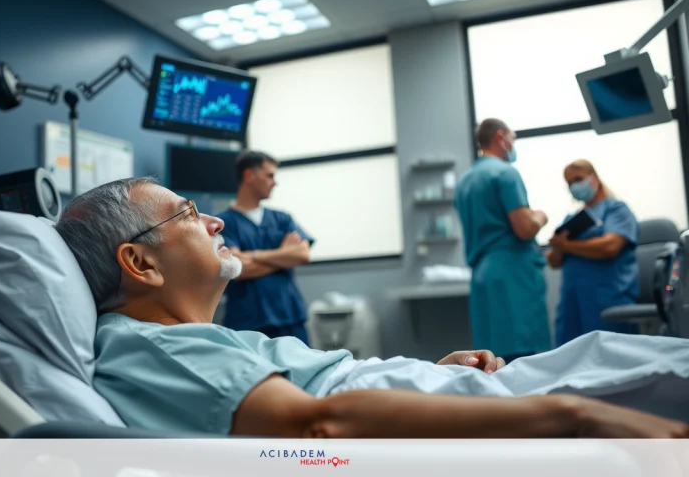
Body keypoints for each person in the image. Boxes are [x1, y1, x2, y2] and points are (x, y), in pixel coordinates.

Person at [54, 177, 689, 439]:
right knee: (625, 368)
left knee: (613, 353)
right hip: (392, 405)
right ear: (140, 264)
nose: (215, 220)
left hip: (399, 385)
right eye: (190, 213)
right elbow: (316, 427)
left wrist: (433, 373)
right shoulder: (144, 347)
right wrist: (568, 415)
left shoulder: (192, 341)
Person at [454, 118, 551, 363]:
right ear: (500, 137)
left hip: (483, 277)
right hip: (512, 274)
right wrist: (539, 217)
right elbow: (524, 229)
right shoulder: (505, 174)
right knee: (522, 361)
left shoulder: (465, 181)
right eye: (512, 138)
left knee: (490, 359)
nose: (513, 144)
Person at [215, 150, 313, 345]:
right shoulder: (224, 222)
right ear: (249, 175)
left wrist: (252, 255)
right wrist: (284, 257)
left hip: (289, 317)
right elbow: (237, 268)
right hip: (248, 323)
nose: (274, 182)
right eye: (270, 175)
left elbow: (303, 254)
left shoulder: (282, 219)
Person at [546, 159, 640, 347]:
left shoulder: (616, 209)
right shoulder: (570, 219)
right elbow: (553, 261)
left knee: (612, 357)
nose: (574, 186)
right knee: (570, 357)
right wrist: (557, 247)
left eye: (578, 179)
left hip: (607, 299)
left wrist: (567, 246)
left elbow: (609, 247)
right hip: (572, 304)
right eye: (570, 183)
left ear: (594, 178)